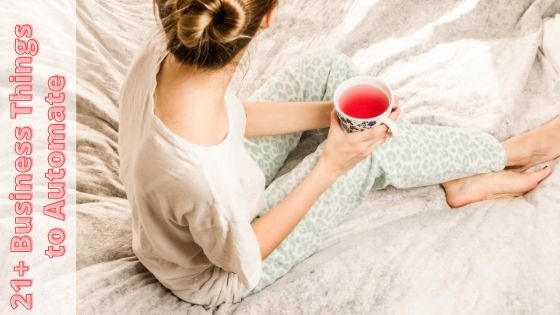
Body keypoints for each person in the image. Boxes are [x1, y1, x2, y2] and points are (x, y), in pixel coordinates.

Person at [117, 0, 559, 309]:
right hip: (223, 271)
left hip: (220, 184)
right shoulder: (200, 181)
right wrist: (332, 163)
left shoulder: (170, 47)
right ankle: (506, 154)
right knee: (367, 155)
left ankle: (457, 169)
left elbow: (232, 117)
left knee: (329, 70)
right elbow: (243, 254)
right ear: (269, 17)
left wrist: (332, 113)